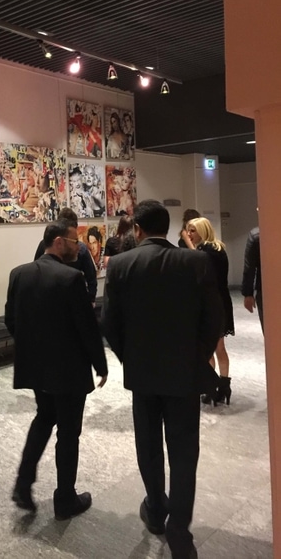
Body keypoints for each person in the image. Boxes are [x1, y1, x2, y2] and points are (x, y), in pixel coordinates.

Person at [102, 200, 223, 559]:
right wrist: (196, 355)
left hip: (143, 374)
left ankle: (156, 509)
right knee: (184, 453)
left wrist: (130, 358)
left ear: (138, 229)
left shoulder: (121, 264)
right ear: (168, 228)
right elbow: (214, 319)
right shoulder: (195, 262)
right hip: (184, 373)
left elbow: (110, 324)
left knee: (149, 445)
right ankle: (179, 531)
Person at [6, 219, 108, 520]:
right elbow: (86, 327)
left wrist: (32, 348)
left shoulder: (19, 274)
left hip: (37, 366)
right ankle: (65, 499)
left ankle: (23, 484)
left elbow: (11, 320)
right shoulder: (71, 278)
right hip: (68, 370)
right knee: (68, 432)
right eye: (75, 241)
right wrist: (100, 364)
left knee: (44, 418)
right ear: (59, 242)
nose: (79, 247)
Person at [186, 217, 235, 405]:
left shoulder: (206, 252)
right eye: (188, 230)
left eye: (192, 230)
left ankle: (213, 386)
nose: (189, 234)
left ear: (202, 231)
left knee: (209, 348)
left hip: (211, 304)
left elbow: (201, 276)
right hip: (221, 302)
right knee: (217, 347)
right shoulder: (218, 249)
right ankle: (221, 386)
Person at [34, 207, 97, 305]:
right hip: (71, 298)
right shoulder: (81, 249)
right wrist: (91, 299)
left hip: (48, 298)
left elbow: (36, 269)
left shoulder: (44, 244)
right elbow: (91, 276)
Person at [241, 226, 263, 331]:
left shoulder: (256, 234)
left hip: (266, 289)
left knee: (271, 330)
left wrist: (248, 294)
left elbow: (249, 267)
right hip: (264, 288)